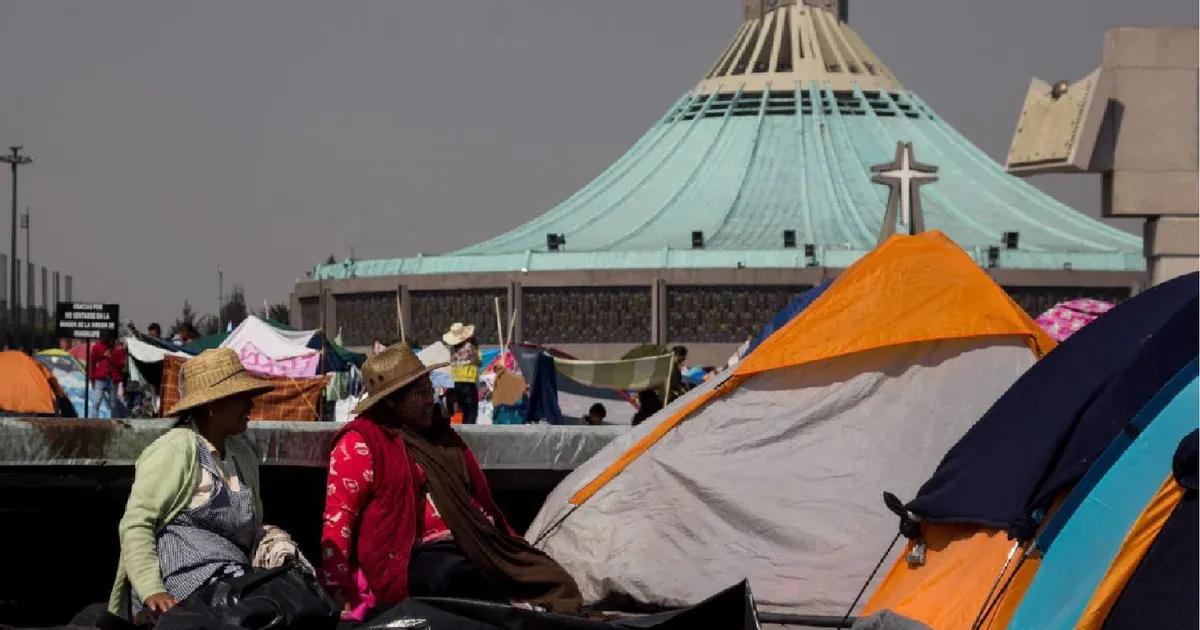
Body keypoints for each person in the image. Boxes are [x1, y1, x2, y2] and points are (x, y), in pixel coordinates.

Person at [320, 344, 582, 622]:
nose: (429, 399)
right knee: (456, 577)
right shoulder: (361, 443)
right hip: (410, 556)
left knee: (551, 577)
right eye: (419, 394)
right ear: (391, 402)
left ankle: (518, 612)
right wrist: (336, 588)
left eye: (428, 389)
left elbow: (479, 500)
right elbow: (338, 521)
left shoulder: (440, 438)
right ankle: (517, 616)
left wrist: (503, 542)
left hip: (472, 541)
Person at [108, 348, 273, 621]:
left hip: (232, 590)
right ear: (212, 406)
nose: (250, 406)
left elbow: (252, 526)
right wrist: (152, 591)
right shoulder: (176, 449)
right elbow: (137, 524)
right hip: (179, 597)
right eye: (241, 398)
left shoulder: (242, 455)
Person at [444, 322, 480, 424]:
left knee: (459, 411)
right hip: (468, 383)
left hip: (455, 383)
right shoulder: (471, 347)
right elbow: (478, 360)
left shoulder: (453, 349)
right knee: (470, 413)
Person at [88, 333, 116, 417]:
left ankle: (114, 422)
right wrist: (92, 378)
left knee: (113, 403)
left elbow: (119, 362)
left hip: (111, 378)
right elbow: (92, 363)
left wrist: (110, 356)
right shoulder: (96, 347)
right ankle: (94, 422)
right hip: (100, 378)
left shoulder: (113, 347)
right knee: (96, 401)